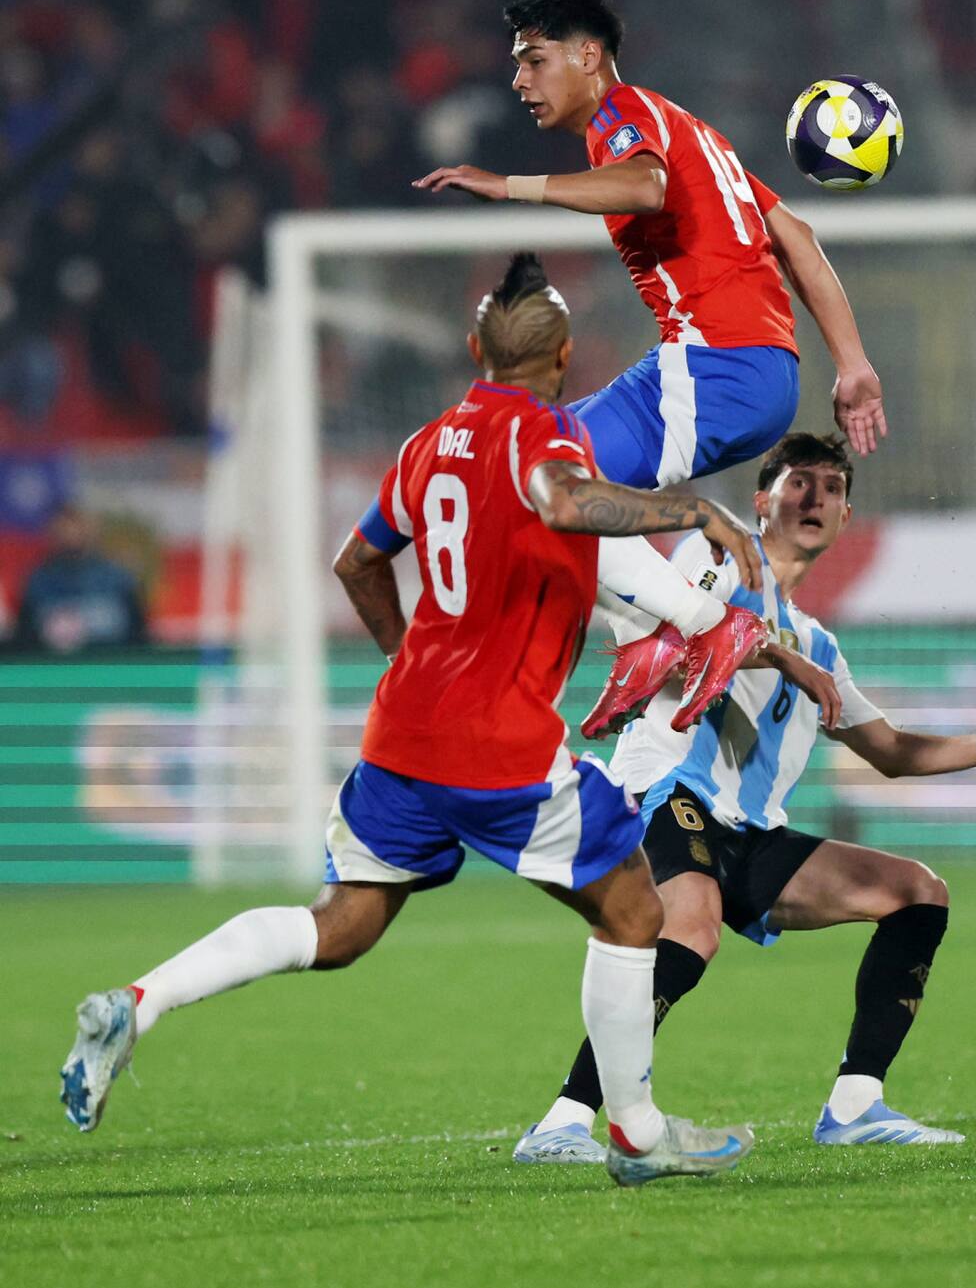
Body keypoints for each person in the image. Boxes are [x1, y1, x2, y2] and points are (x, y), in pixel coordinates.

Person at [59, 254, 762, 1188]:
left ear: (475, 350)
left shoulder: (429, 442)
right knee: (636, 906)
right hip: (499, 745)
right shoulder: (547, 434)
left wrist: (411, 663)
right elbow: (561, 498)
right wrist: (694, 507)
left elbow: (356, 561)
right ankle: (635, 1134)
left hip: (400, 738)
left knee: (341, 924)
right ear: (564, 359)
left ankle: (135, 1003)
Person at [512, 433, 976, 1163]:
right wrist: (784, 658)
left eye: (832, 488)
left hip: (751, 831)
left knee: (917, 893)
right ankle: (563, 1118)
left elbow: (891, 750)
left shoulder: (822, 645)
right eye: (799, 481)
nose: (816, 496)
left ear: (845, 518)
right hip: (669, 789)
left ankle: (856, 1102)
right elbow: (687, 635)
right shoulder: (712, 560)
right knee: (691, 925)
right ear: (761, 500)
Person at [413, 0, 887, 739]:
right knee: (539, 467)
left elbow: (644, 185)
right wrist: (853, 364)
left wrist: (509, 189)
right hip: (756, 370)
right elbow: (794, 235)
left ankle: (705, 626)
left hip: (717, 368)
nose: (519, 81)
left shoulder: (623, 118)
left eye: (533, 60)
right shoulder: (693, 129)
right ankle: (646, 641)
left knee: (537, 485)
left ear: (588, 54)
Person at [14, 502, 147, 652]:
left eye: (78, 528)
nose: (71, 535)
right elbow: (24, 638)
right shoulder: (38, 581)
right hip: (54, 668)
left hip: (109, 665)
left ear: (92, 531)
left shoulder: (118, 578)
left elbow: (139, 636)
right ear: (52, 533)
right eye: (64, 529)